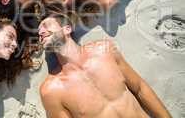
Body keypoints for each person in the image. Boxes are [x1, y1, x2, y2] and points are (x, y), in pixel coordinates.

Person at [38, 13, 172, 118]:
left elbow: (140, 88)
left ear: (67, 29)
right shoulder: (51, 90)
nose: (40, 32)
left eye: (45, 25)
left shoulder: (104, 50)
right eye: (38, 33)